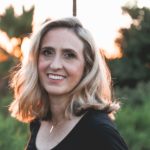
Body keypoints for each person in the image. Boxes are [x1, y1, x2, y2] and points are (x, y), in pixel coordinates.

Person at [9, 17, 128, 150]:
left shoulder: (99, 132)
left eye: (69, 55)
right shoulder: (39, 122)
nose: (55, 65)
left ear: (87, 67)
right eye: (47, 52)